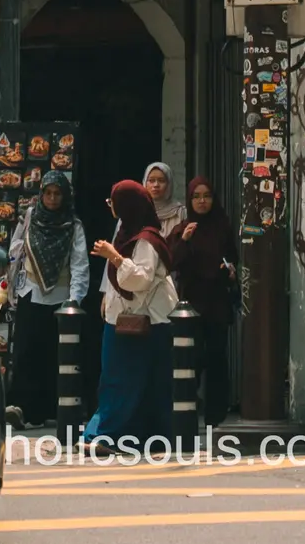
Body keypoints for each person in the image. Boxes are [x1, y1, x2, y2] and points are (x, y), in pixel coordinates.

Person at [82, 178, 178, 443]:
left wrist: (114, 256)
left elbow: (140, 279)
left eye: (113, 201)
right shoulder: (125, 230)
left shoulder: (147, 239)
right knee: (117, 381)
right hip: (123, 321)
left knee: (130, 382)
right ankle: (113, 433)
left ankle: (110, 435)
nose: (109, 205)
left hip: (148, 323)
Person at [3, 173, 88, 426]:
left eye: (57, 193)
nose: (52, 198)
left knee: (55, 357)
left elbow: (80, 265)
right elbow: (13, 248)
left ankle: (52, 411)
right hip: (30, 293)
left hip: (60, 300)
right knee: (26, 354)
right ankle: (21, 409)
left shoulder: (73, 226)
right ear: (41, 194)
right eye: (48, 193)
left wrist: (74, 301)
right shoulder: (29, 218)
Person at [167, 175, 238, 425]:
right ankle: (186, 412)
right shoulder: (183, 229)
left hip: (217, 302)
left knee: (217, 358)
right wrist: (184, 240)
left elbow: (233, 259)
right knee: (191, 358)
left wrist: (230, 272)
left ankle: (215, 416)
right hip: (191, 305)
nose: (202, 201)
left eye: (206, 196)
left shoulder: (223, 227)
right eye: (196, 197)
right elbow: (171, 263)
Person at [143, 160, 186, 238]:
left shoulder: (180, 213)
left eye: (161, 181)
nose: (156, 185)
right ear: (145, 183)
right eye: (151, 180)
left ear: (169, 184)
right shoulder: (136, 212)